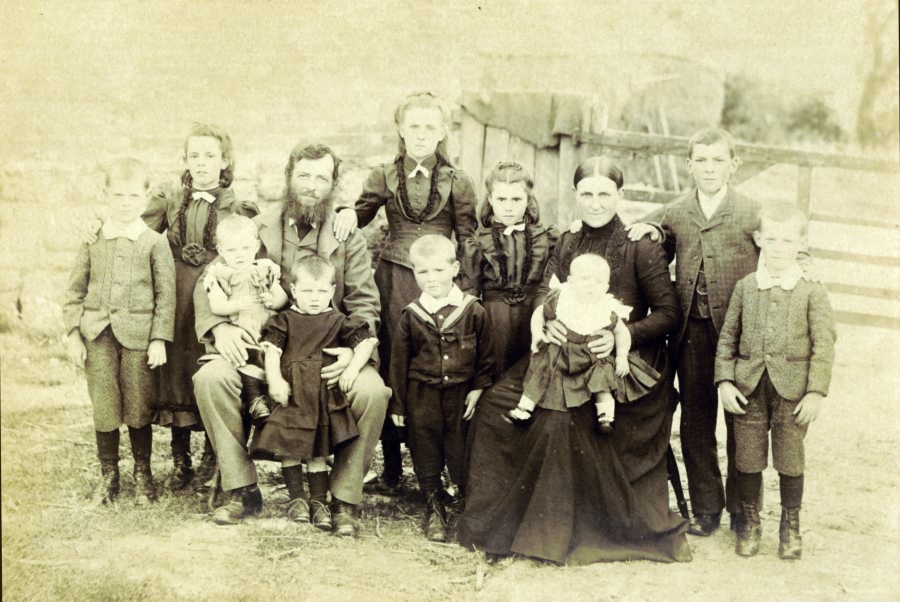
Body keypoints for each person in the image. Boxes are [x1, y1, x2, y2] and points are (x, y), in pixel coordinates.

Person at [459, 155, 689, 565]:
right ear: (575, 195)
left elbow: (668, 314)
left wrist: (622, 336)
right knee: (497, 403)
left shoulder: (641, 245)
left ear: (620, 195)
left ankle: (550, 533)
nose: (596, 203)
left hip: (625, 358)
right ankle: (498, 522)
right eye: (587, 194)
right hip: (563, 354)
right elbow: (545, 295)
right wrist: (546, 324)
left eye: (605, 194)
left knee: (560, 419)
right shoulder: (567, 241)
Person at [192, 142, 391, 534]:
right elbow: (209, 280)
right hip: (260, 348)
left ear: (333, 184)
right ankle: (242, 489)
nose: (311, 185)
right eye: (304, 175)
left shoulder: (345, 235)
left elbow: (365, 305)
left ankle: (343, 499)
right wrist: (220, 327)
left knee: (372, 391)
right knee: (211, 378)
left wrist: (352, 358)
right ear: (289, 177)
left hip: (325, 354)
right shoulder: (257, 227)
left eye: (322, 178)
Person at [626, 128, 812, 536]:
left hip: (742, 336)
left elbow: (796, 251)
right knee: (695, 421)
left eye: (718, 160)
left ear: (734, 164)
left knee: (742, 422)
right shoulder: (675, 211)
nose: (709, 169)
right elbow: (640, 234)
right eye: (701, 161)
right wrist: (650, 230)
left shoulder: (751, 211)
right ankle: (706, 510)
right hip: (690, 333)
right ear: (689, 165)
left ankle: (745, 512)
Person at [332, 92, 478, 496]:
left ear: (443, 132)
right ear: (400, 129)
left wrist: (464, 293)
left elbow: (467, 240)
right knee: (394, 364)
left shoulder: (458, 181)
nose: (421, 134)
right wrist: (345, 212)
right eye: (413, 126)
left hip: (440, 284)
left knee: (436, 366)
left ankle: (441, 470)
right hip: (394, 282)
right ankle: (392, 469)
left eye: (430, 126)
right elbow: (359, 215)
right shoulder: (383, 175)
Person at [714, 204, 835, 559]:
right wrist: (725, 381)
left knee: (790, 459)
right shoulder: (746, 287)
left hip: (793, 393)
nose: (779, 247)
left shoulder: (812, 290)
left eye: (787, 240)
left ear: (802, 242)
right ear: (758, 240)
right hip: (748, 390)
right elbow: (727, 339)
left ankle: (790, 527)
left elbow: (824, 344)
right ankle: (750, 523)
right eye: (771, 239)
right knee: (748, 459)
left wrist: (815, 392)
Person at [63, 158, 176, 506]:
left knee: (139, 402)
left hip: (139, 338)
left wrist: (159, 338)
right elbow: (74, 290)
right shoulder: (93, 238)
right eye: (117, 195)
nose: (125, 202)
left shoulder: (155, 242)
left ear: (144, 199)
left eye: (132, 195)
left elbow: (166, 295)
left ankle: (143, 473)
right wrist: (72, 333)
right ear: (105, 195)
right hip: (97, 334)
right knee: (105, 404)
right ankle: (108, 476)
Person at [251, 255, 378, 530]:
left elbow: (366, 343)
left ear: (332, 291)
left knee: (317, 451)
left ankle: (319, 502)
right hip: (292, 392)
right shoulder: (284, 320)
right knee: (291, 447)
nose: (314, 297)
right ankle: (297, 499)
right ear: (294, 291)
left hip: (320, 395)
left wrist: (352, 369)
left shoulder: (338, 320)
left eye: (322, 291)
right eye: (307, 291)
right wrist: (274, 380)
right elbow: (271, 351)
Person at [389, 235, 495, 542]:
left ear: (455, 268)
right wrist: (398, 404)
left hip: (461, 395)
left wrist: (478, 388)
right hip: (422, 394)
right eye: (423, 272)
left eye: (438, 270)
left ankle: (462, 500)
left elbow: (486, 356)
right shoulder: (411, 315)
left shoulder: (472, 311)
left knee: (460, 446)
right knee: (424, 444)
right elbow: (398, 361)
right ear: (414, 273)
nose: (431, 278)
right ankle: (434, 502)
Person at [507, 254, 658, 434]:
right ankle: (524, 409)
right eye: (585, 279)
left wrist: (622, 357)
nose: (591, 285)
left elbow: (621, 332)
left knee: (602, 381)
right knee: (543, 372)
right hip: (561, 353)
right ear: (570, 281)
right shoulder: (561, 300)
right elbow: (539, 313)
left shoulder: (607, 307)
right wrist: (537, 334)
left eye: (599, 281)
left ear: (607, 287)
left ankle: (606, 417)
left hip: (592, 357)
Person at [202, 216, 286, 425]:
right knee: (244, 362)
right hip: (241, 330)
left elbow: (282, 297)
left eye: (245, 248)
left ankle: (277, 416)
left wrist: (272, 300)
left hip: (267, 329)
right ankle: (255, 400)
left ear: (256, 246)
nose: (239, 255)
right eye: (231, 250)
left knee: (274, 361)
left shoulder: (265, 268)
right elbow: (216, 306)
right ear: (220, 251)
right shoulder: (220, 274)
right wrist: (235, 305)